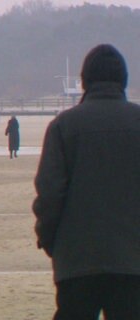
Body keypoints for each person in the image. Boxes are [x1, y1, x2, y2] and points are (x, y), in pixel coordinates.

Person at [33, 44, 140, 320]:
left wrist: (49, 240)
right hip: (133, 261)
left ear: (84, 81)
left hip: (76, 260)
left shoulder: (63, 126)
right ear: (124, 80)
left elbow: (50, 194)